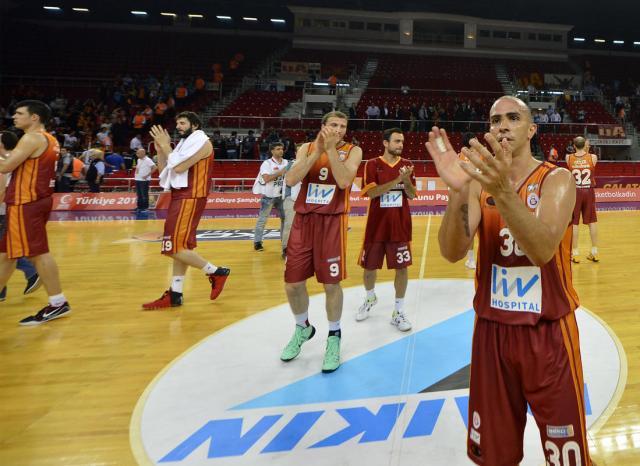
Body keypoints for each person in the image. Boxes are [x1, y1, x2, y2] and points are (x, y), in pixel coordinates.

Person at [425, 96, 592, 466]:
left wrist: (501, 192)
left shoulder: (557, 179)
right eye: (495, 119)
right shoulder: (475, 184)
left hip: (547, 335)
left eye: (513, 118)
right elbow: (452, 251)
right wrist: (456, 192)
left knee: (567, 458)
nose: (503, 125)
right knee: (493, 456)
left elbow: (542, 249)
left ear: (531, 129)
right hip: (492, 333)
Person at [280, 111, 362, 373]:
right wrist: (317, 151)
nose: (339, 130)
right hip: (304, 220)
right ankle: (302, 328)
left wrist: (331, 152)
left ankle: (334, 336)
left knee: (331, 284)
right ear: (324, 126)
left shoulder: (352, 151)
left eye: (343, 126)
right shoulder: (306, 147)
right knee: (293, 284)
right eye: (334, 125)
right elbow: (291, 180)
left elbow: (344, 181)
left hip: (332, 222)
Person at [143, 111, 230, 310]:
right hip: (180, 195)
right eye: (177, 123)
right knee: (181, 248)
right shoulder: (184, 144)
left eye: (183, 123)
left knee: (171, 246)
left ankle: (216, 271)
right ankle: (176, 293)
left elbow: (180, 168)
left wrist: (166, 146)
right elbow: (166, 171)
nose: (179, 126)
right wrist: (160, 150)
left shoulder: (202, 142)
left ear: (195, 125)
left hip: (191, 196)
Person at [0, 100, 70, 325]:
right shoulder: (50, 139)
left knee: (37, 253)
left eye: (19, 113)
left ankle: (58, 303)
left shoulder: (31, 138)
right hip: (38, 200)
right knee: (6, 253)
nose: (14, 117)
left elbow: (5, 166)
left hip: (25, 202)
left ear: (34, 118)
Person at [356, 128, 416, 331]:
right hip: (376, 226)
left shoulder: (407, 165)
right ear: (385, 143)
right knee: (369, 268)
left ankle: (398, 311)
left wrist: (406, 180)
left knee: (402, 268)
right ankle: (370, 297)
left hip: (400, 226)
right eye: (397, 141)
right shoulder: (372, 164)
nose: (400, 145)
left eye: (402, 141)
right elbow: (372, 193)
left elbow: (412, 195)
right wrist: (397, 180)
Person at [0, 131, 41, 301]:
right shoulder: (18, 159)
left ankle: (32, 272)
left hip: (5, 210)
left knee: (7, 250)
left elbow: (2, 190)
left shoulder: (4, 161)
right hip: (13, 208)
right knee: (6, 249)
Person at [566, 137, 599, 263]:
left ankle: (575, 253)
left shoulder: (569, 158)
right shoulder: (593, 158)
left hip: (575, 192)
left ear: (574, 145)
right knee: (593, 222)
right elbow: (588, 155)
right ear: (585, 145)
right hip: (588, 191)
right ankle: (595, 251)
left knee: (574, 223)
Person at [252, 142, 288, 252]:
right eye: (278, 149)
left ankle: (285, 242)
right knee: (262, 220)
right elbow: (267, 179)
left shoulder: (286, 162)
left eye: (282, 149)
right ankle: (257, 242)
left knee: (285, 220)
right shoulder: (266, 163)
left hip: (282, 196)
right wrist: (280, 172)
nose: (281, 151)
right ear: (272, 151)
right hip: (269, 196)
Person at [458, 132, 477, 269]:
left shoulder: (460, 156)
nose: (477, 140)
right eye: (475, 139)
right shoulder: (462, 157)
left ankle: (471, 260)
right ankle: (471, 260)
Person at [134, 148, 157, 213]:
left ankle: (145, 208)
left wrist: (147, 175)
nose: (137, 154)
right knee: (139, 194)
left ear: (143, 153)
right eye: (137, 153)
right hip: (138, 179)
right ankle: (139, 207)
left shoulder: (148, 160)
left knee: (144, 194)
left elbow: (155, 167)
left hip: (144, 180)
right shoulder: (138, 160)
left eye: (138, 153)